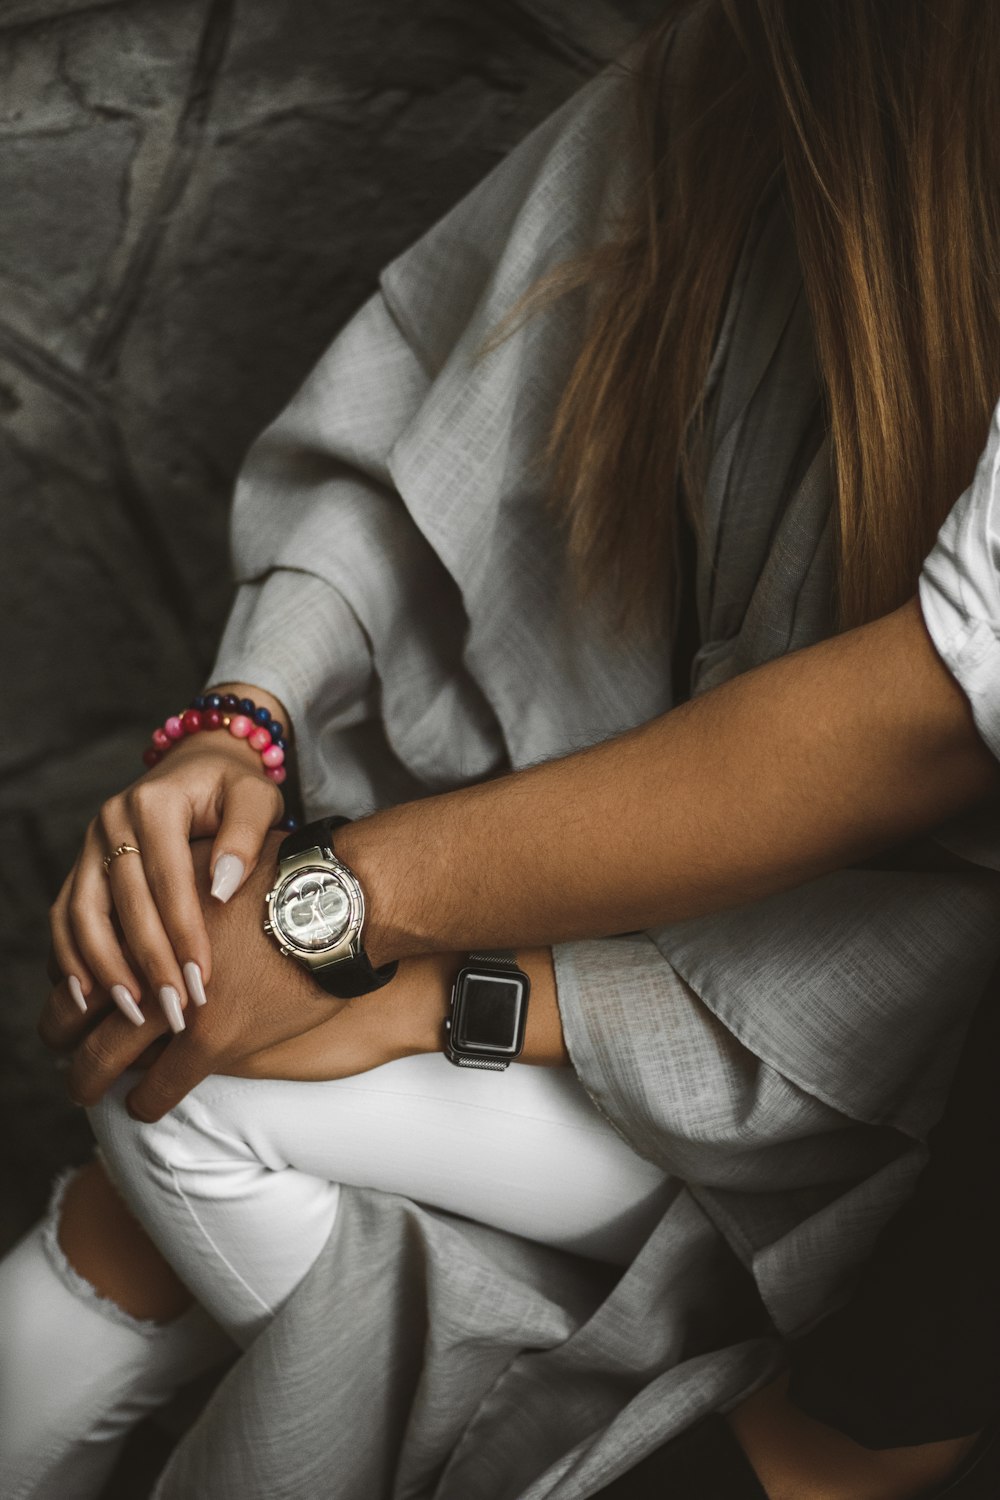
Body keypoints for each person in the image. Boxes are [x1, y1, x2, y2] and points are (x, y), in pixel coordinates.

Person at [2, 1, 1000, 1495]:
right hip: (582, 962)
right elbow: (426, 413)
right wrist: (239, 734)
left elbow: (912, 784)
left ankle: (501, 1418)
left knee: (191, 1085)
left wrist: (397, 969)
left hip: (837, 1120)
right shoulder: (741, 75)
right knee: (153, 1070)